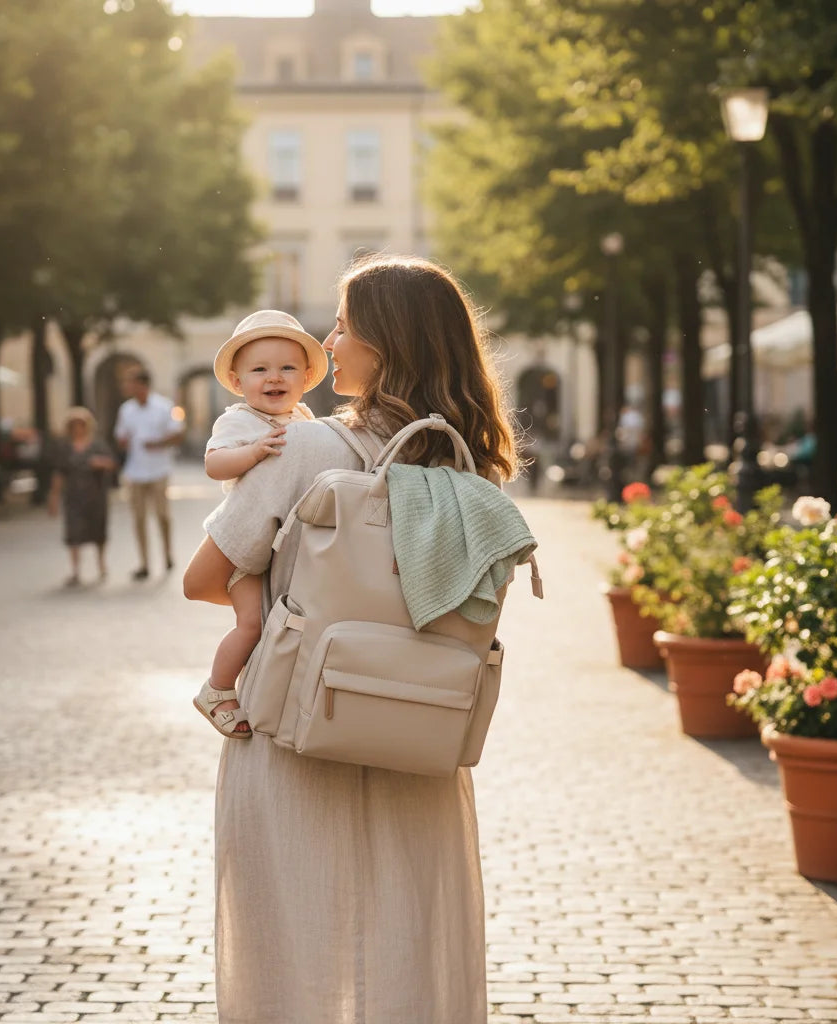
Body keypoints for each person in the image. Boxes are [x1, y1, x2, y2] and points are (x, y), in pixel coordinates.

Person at [183, 254, 518, 1023]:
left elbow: (204, 578)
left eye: (343, 326)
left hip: (297, 727)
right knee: (408, 941)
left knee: (292, 948)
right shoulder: (474, 470)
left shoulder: (303, 448)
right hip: (418, 729)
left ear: (386, 340)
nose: (328, 343)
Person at [194, 310, 328, 738]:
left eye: (287, 368)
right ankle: (217, 689)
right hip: (244, 549)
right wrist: (252, 452)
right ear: (237, 382)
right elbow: (214, 464)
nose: (274, 377)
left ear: (307, 377)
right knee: (251, 623)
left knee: (279, 625)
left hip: (283, 546)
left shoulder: (304, 420)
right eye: (259, 370)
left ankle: (269, 690)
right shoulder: (238, 420)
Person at [113, 368, 185, 580]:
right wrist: (123, 442)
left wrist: (158, 443)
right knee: (138, 518)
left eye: (132, 383)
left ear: (143, 385)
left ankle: (167, 554)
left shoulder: (163, 406)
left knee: (162, 516)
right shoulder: (126, 409)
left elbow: (178, 433)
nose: (129, 387)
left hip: (159, 470)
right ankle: (144, 563)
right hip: (135, 471)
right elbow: (120, 436)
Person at [48, 407, 116, 586]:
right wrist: (54, 496)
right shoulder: (65, 447)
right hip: (73, 496)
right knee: (74, 532)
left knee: (98, 530)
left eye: (81, 425)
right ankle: (75, 570)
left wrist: (100, 463)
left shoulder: (98, 445)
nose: (78, 429)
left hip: (95, 495)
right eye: (74, 425)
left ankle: (101, 564)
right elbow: (59, 473)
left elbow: (111, 463)